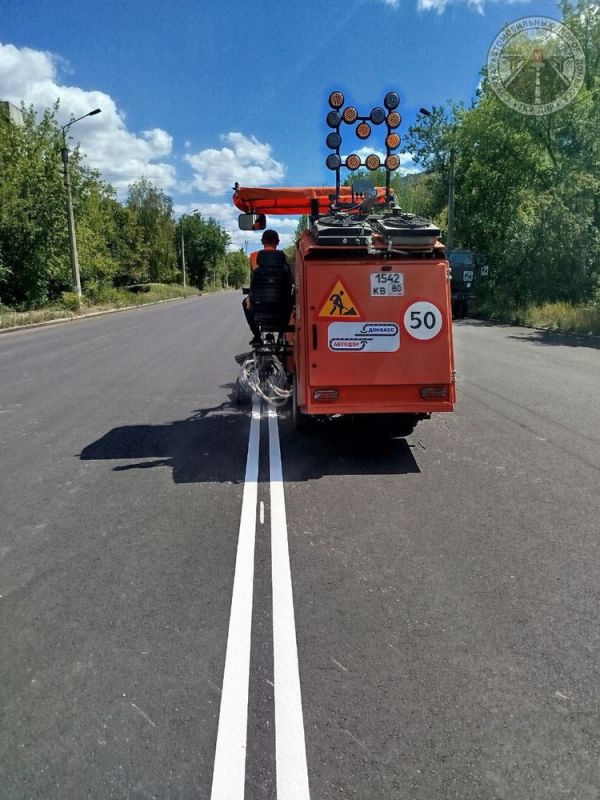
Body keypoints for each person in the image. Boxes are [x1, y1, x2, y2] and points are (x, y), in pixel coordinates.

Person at [243, 229, 293, 346]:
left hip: (260, 308)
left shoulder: (254, 257)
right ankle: (281, 335)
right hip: (282, 309)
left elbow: (254, 282)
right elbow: (293, 280)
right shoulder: (286, 258)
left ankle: (256, 336)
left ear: (262, 242)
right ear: (278, 242)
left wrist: (251, 297)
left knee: (244, 303)